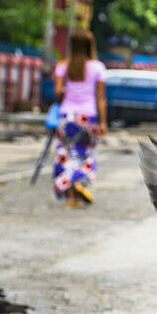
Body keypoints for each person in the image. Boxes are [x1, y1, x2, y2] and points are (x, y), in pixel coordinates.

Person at [52, 29, 107, 207]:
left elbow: (58, 92)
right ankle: (78, 182)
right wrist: (103, 122)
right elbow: (100, 97)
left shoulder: (63, 66)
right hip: (87, 116)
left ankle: (70, 196)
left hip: (67, 115)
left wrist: (67, 95)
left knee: (65, 153)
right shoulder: (98, 67)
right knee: (85, 154)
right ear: (91, 45)